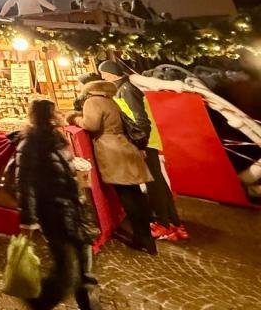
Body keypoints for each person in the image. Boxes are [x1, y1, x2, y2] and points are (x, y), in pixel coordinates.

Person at [17, 99, 101, 310]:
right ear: (50, 116)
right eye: (57, 112)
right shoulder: (31, 144)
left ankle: (89, 303)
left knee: (85, 265)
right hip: (53, 213)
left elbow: (66, 172)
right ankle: (39, 302)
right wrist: (28, 220)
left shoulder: (58, 139)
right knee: (65, 269)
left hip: (75, 209)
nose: (62, 115)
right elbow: (25, 183)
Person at [97, 60, 186, 241]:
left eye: (104, 74)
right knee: (158, 183)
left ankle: (163, 224)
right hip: (147, 140)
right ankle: (174, 222)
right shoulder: (124, 88)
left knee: (154, 184)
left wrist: (141, 143)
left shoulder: (126, 90)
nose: (103, 77)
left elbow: (141, 119)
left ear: (111, 74)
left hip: (146, 142)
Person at [69, 80, 156, 254]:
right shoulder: (110, 100)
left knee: (126, 195)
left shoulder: (92, 101)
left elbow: (91, 125)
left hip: (111, 150)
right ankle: (147, 237)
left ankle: (141, 238)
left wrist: (74, 118)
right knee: (136, 193)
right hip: (124, 146)